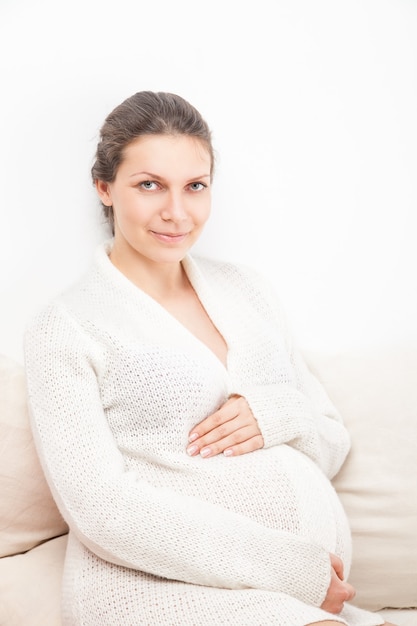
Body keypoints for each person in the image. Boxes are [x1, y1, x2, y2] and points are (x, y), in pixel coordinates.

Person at [24, 90, 396, 626]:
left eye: (195, 186)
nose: (177, 212)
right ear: (104, 188)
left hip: (292, 596)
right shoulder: (67, 326)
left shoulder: (250, 293)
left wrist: (276, 415)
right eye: (149, 185)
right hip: (158, 591)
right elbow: (101, 508)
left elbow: (332, 441)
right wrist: (292, 570)